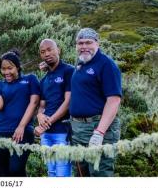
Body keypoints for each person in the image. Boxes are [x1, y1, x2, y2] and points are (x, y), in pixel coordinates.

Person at [70, 28, 122, 177]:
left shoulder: (106, 65)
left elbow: (113, 100)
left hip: (98, 128)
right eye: (80, 43)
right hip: (78, 130)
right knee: (81, 173)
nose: (84, 46)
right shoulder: (81, 63)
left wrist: (99, 133)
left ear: (97, 43)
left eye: (88, 42)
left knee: (99, 173)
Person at [35, 39, 74, 177]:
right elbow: (42, 105)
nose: (47, 54)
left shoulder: (69, 71)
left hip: (63, 132)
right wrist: (39, 115)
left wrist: (47, 122)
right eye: (43, 52)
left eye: (50, 49)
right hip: (46, 135)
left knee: (62, 175)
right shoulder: (44, 79)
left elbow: (68, 102)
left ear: (58, 50)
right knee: (51, 173)